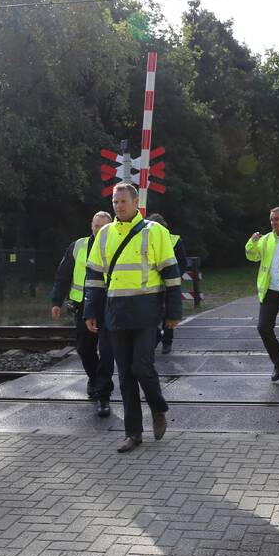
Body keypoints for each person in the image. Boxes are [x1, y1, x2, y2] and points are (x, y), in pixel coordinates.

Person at [84, 183, 182, 452]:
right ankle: (133, 433)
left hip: (146, 312)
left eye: (123, 201)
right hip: (115, 314)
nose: (118, 206)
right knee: (125, 375)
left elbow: (172, 275)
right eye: (115, 202)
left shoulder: (155, 232)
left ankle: (158, 408)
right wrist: (90, 311)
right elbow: (93, 277)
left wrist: (173, 313)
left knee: (141, 367)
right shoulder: (104, 234)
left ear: (136, 203)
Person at [51, 211, 115, 417]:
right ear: (91, 226)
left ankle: (102, 394)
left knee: (107, 352)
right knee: (85, 349)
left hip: (108, 306)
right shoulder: (77, 246)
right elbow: (63, 275)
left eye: (103, 227)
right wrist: (56, 301)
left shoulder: (117, 245)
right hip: (81, 307)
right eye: (96, 226)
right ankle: (95, 379)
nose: (99, 230)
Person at [245, 206, 279, 386]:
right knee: (263, 327)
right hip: (270, 291)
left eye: (277, 219)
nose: (273, 223)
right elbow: (252, 256)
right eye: (271, 220)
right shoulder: (266, 239)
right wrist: (251, 242)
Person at [147, 213, 188, 355]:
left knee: (169, 313)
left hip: (169, 284)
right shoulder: (144, 239)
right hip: (151, 284)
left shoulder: (175, 240)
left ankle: (167, 342)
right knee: (151, 313)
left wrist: (174, 278)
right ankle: (157, 337)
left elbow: (182, 262)